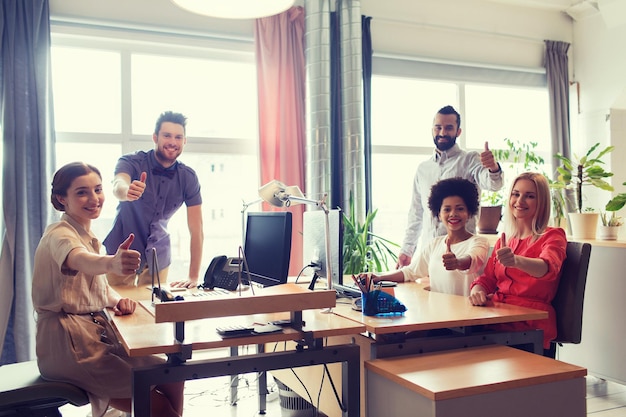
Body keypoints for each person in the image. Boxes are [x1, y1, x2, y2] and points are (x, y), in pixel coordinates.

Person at [32, 162, 184, 417]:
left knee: (173, 374)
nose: (94, 199)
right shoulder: (59, 234)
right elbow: (78, 260)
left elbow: (94, 287)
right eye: (81, 192)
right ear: (62, 198)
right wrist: (112, 262)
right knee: (157, 408)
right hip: (67, 346)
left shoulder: (86, 236)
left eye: (98, 189)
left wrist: (117, 300)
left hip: (93, 337)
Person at [468, 172, 567, 355]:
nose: (520, 200)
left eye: (530, 196)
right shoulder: (505, 239)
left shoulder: (553, 236)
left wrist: (515, 261)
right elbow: (487, 278)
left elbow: (548, 268)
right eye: (516, 194)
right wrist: (477, 291)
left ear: (542, 202)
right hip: (499, 318)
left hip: (529, 324)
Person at [104, 111, 203, 289]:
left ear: (184, 141)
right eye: (167, 135)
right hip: (122, 253)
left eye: (178, 137)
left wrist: (193, 276)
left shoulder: (188, 177)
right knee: (116, 311)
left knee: (153, 314)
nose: (173, 142)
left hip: (159, 257)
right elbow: (118, 184)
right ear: (155, 137)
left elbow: (197, 230)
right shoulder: (131, 161)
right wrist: (127, 191)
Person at [396, 105, 504, 268]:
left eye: (449, 128)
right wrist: (407, 250)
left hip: (461, 252)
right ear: (432, 129)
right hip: (429, 254)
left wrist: (493, 168)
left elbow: (493, 184)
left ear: (458, 132)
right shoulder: (423, 169)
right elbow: (416, 213)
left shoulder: (469, 159)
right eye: (438, 127)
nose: (442, 133)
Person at [371, 177, 489, 296]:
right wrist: (379, 278)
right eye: (447, 209)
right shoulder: (435, 244)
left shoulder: (479, 242)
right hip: (436, 312)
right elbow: (410, 272)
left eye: (460, 209)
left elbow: (472, 260)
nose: (453, 214)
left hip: (470, 313)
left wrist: (457, 263)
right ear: (438, 214)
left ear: (469, 213)